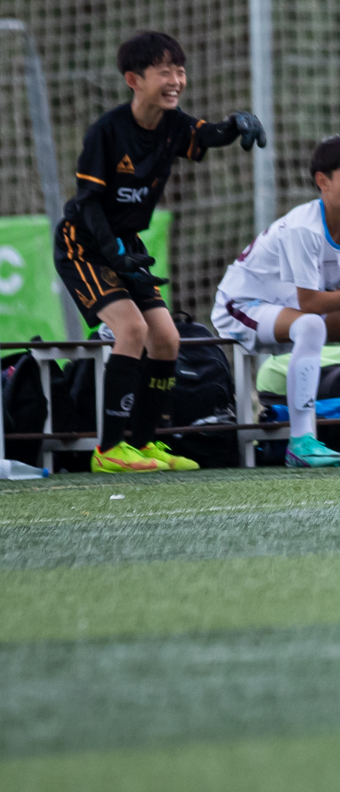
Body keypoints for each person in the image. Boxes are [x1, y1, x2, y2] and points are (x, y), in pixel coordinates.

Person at [55, 30, 266, 474]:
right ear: (134, 79)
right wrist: (114, 253)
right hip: (84, 243)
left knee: (167, 339)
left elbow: (206, 134)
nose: (176, 81)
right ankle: (109, 449)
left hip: (125, 243)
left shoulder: (172, 124)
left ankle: (144, 443)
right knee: (131, 330)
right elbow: (88, 204)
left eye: (180, 71)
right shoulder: (106, 132)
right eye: (165, 72)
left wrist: (236, 125)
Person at [212, 135, 340, 466]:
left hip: (291, 311)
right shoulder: (303, 228)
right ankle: (302, 442)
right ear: (323, 181)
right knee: (310, 325)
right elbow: (310, 304)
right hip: (241, 307)